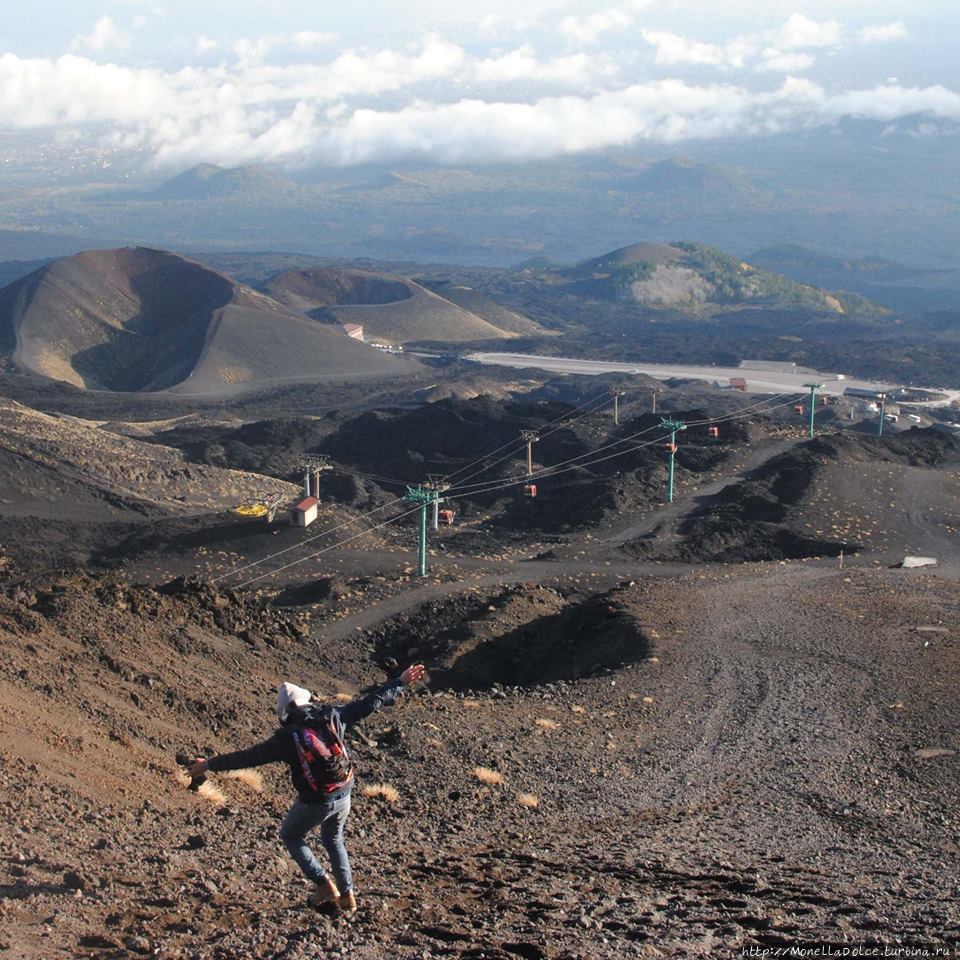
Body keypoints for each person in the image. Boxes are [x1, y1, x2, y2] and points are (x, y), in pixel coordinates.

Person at [186, 663, 426, 913]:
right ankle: (347, 896)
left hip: (316, 800)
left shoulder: (286, 737)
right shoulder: (332, 715)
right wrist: (399, 682)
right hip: (344, 790)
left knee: (291, 835)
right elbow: (369, 703)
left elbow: (248, 757)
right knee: (334, 838)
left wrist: (209, 764)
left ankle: (323, 883)